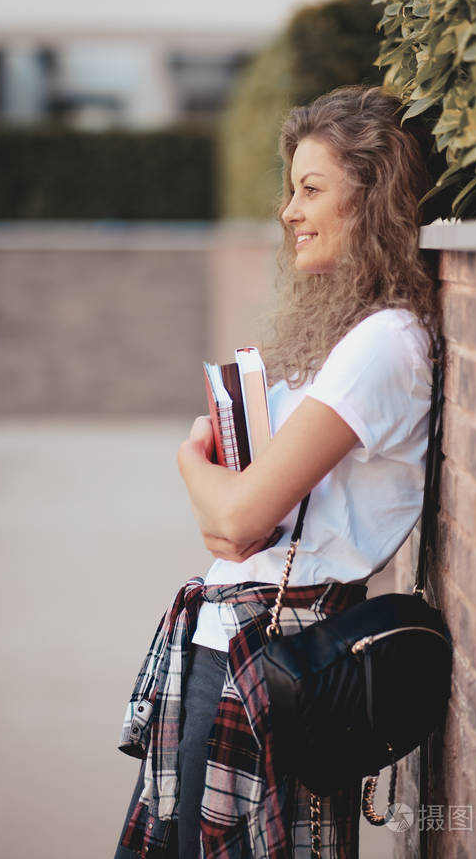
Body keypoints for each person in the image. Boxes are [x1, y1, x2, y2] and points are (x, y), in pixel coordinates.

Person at [113, 85, 439, 859]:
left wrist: (189, 457)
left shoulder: (383, 344)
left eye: (311, 189)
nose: (289, 209)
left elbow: (234, 524)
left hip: (270, 662)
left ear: (374, 197)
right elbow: (233, 523)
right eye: (291, 189)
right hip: (245, 650)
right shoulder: (359, 333)